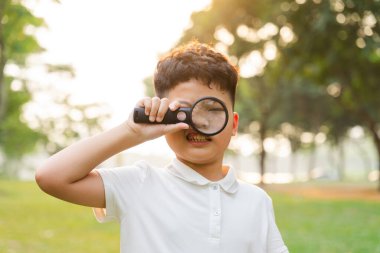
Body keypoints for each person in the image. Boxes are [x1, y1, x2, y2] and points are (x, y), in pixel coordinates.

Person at [35, 41, 289, 253]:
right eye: (184, 111)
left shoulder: (256, 201)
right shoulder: (139, 184)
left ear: (233, 125)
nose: (198, 124)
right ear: (164, 116)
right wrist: (131, 131)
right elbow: (51, 177)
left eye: (212, 110)